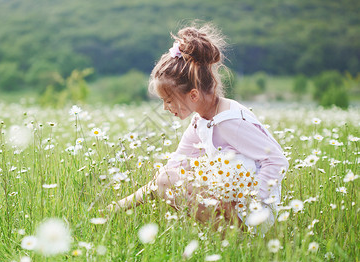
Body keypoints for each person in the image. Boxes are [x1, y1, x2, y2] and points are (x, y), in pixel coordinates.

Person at [105, 23, 289, 234]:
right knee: (169, 178)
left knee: (172, 181)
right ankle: (229, 237)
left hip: (255, 210)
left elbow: (277, 160)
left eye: (168, 100)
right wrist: (117, 207)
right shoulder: (201, 121)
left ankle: (240, 241)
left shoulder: (229, 121)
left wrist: (254, 203)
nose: (165, 108)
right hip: (235, 202)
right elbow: (170, 171)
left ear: (193, 95)